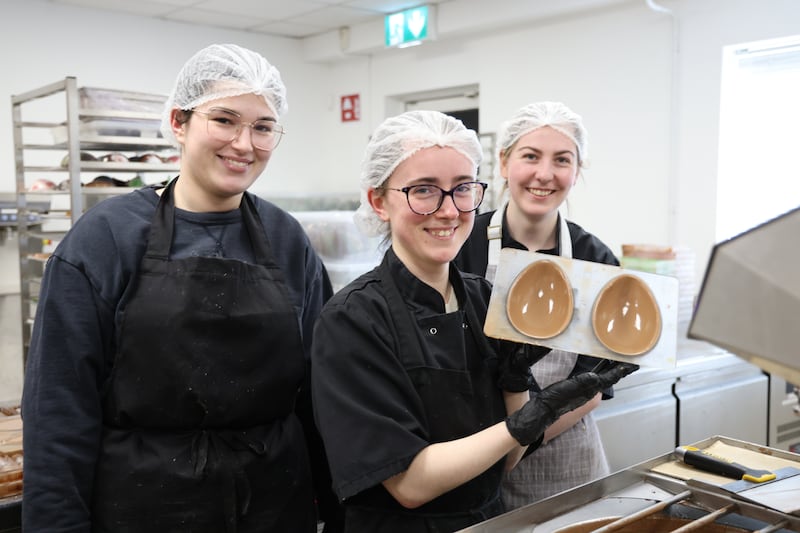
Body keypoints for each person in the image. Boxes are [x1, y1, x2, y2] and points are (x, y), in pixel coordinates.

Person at [21, 43, 342, 532]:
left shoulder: (286, 239)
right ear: (179, 121)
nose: (244, 143)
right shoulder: (104, 239)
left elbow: (318, 396)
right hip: (146, 505)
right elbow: (59, 411)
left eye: (262, 127)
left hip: (275, 502)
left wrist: (337, 510)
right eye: (225, 120)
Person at [311, 110, 637, 532]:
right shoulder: (351, 321)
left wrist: (517, 388)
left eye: (462, 189)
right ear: (378, 201)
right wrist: (528, 419)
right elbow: (410, 484)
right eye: (423, 190)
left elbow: (504, 465)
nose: (448, 211)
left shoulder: (484, 299)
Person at [456, 101, 621, 508]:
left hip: (567, 462)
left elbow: (593, 388)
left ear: (576, 171)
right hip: (468, 456)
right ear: (504, 162)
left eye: (562, 160)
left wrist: (521, 440)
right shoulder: (461, 242)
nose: (544, 174)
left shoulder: (593, 258)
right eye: (530, 156)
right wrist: (495, 450)